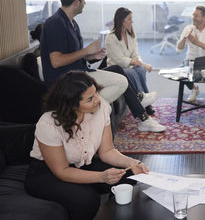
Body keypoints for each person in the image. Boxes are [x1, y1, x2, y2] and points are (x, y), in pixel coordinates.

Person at [25, 71, 150, 220]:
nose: (97, 99)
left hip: (81, 163)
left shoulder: (101, 107)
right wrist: (102, 177)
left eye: (96, 92)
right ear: (71, 103)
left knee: (130, 174)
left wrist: (133, 162)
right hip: (46, 172)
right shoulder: (48, 124)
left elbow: (107, 151)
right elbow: (62, 171)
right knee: (86, 200)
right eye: (90, 98)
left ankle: (114, 216)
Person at [40, 0, 164, 132]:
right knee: (121, 82)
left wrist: (92, 56)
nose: (85, 3)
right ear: (76, 2)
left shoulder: (72, 23)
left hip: (79, 72)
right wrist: (85, 51)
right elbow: (56, 61)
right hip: (65, 81)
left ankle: (142, 114)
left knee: (117, 69)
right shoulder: (55, 23)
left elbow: (73, 57)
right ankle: (80, 109)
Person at [176, 5, 205, 102]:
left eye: (196, 16)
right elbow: (179, 49)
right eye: (193, 15)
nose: (193, 18)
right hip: (191, 60)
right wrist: (184, 38)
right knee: (180, 74)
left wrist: (197, 43)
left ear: (204, 18)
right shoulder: (188, 28)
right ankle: (194, 89)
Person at [105, 7, 153, 94]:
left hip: (129, 65)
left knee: (141, 69)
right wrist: (135, 62)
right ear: (121, 21)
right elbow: (119, 60)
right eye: (129, 19)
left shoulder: (131, 35)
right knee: (130, 72)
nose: (132, 21)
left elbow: (135, 53)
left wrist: (138, 61)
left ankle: (145, 94)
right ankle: (140, 95)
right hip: (116, 67)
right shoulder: (111, 37)